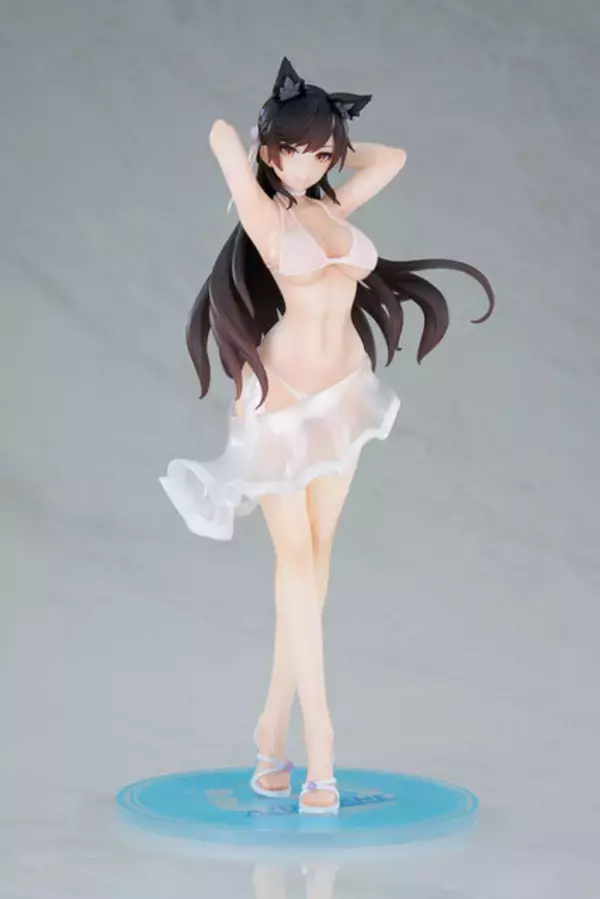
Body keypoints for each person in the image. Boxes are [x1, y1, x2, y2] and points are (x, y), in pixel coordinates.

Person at [159, 56, 495, 815]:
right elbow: (218, 135)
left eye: (321, 153)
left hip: (343, 395)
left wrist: (328, 141)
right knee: (296, 562)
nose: (309, 164)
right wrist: (261, 147)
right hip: (281, 406)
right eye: (295, 151)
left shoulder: (332, 201)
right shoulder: (265, 215)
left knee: (318, 563)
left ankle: (268, 731)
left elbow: (394, 157)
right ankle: (321, 747)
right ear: (271, 151)